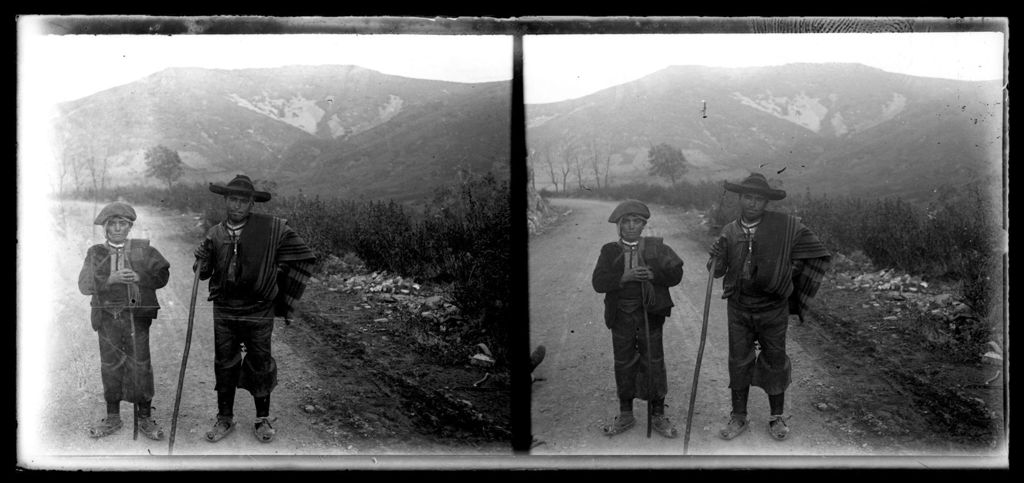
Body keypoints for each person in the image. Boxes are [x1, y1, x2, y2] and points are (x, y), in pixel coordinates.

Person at [193, 174, 316, 444]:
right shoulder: (214, 233)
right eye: (233, 200)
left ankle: (262, 419)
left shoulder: (273, 231)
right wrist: (201, 259)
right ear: (225, 201)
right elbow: (203, 273)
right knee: (225, 363)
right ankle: (225, 417)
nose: (237, 206)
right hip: (225, 309)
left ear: (252, 205)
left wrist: (277, 282)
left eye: (243, 201)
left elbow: (303, 254)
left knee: (260, 361)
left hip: (259, 309)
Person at [708, 173, 831, 441]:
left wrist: (786, 275)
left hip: (772, 309)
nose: (753, 203)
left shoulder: (784, 229)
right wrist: (716, 254)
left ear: (766, 203)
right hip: (739, 308)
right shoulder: (729, 231)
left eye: (759, 199)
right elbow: (716, 272)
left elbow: (814, 250)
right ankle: (738, 416)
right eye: (748, 197)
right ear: (740, 198)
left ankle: (777, 418)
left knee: (775, 360)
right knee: (738, 361)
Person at [592, 199, 684, 438]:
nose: (631, 226)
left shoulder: (657, 247)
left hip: (649, 315)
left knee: (653, 361)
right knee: (623, 362)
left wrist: (654, 274)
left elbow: (676, 274)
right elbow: (598, 283)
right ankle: (626, 414)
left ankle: (657, 414)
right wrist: (625, 276)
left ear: (643, 225)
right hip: (621, 315)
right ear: (620, 226)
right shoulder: (609, 250)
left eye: (636, 222)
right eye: (627, 222)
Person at [78, 201, 171, 440]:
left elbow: (163, 274)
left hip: (136, 319)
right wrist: (111, 278)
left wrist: (140, 276)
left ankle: (144, 417)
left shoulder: (144, 250)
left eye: (123, 224)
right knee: (110, 365)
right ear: (106, 228)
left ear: (130, 227)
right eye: (113, 224)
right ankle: (113, 417)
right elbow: (84, 285)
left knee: (140, 364)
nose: (118, 228)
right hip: (107, 318)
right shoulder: (95, 253)